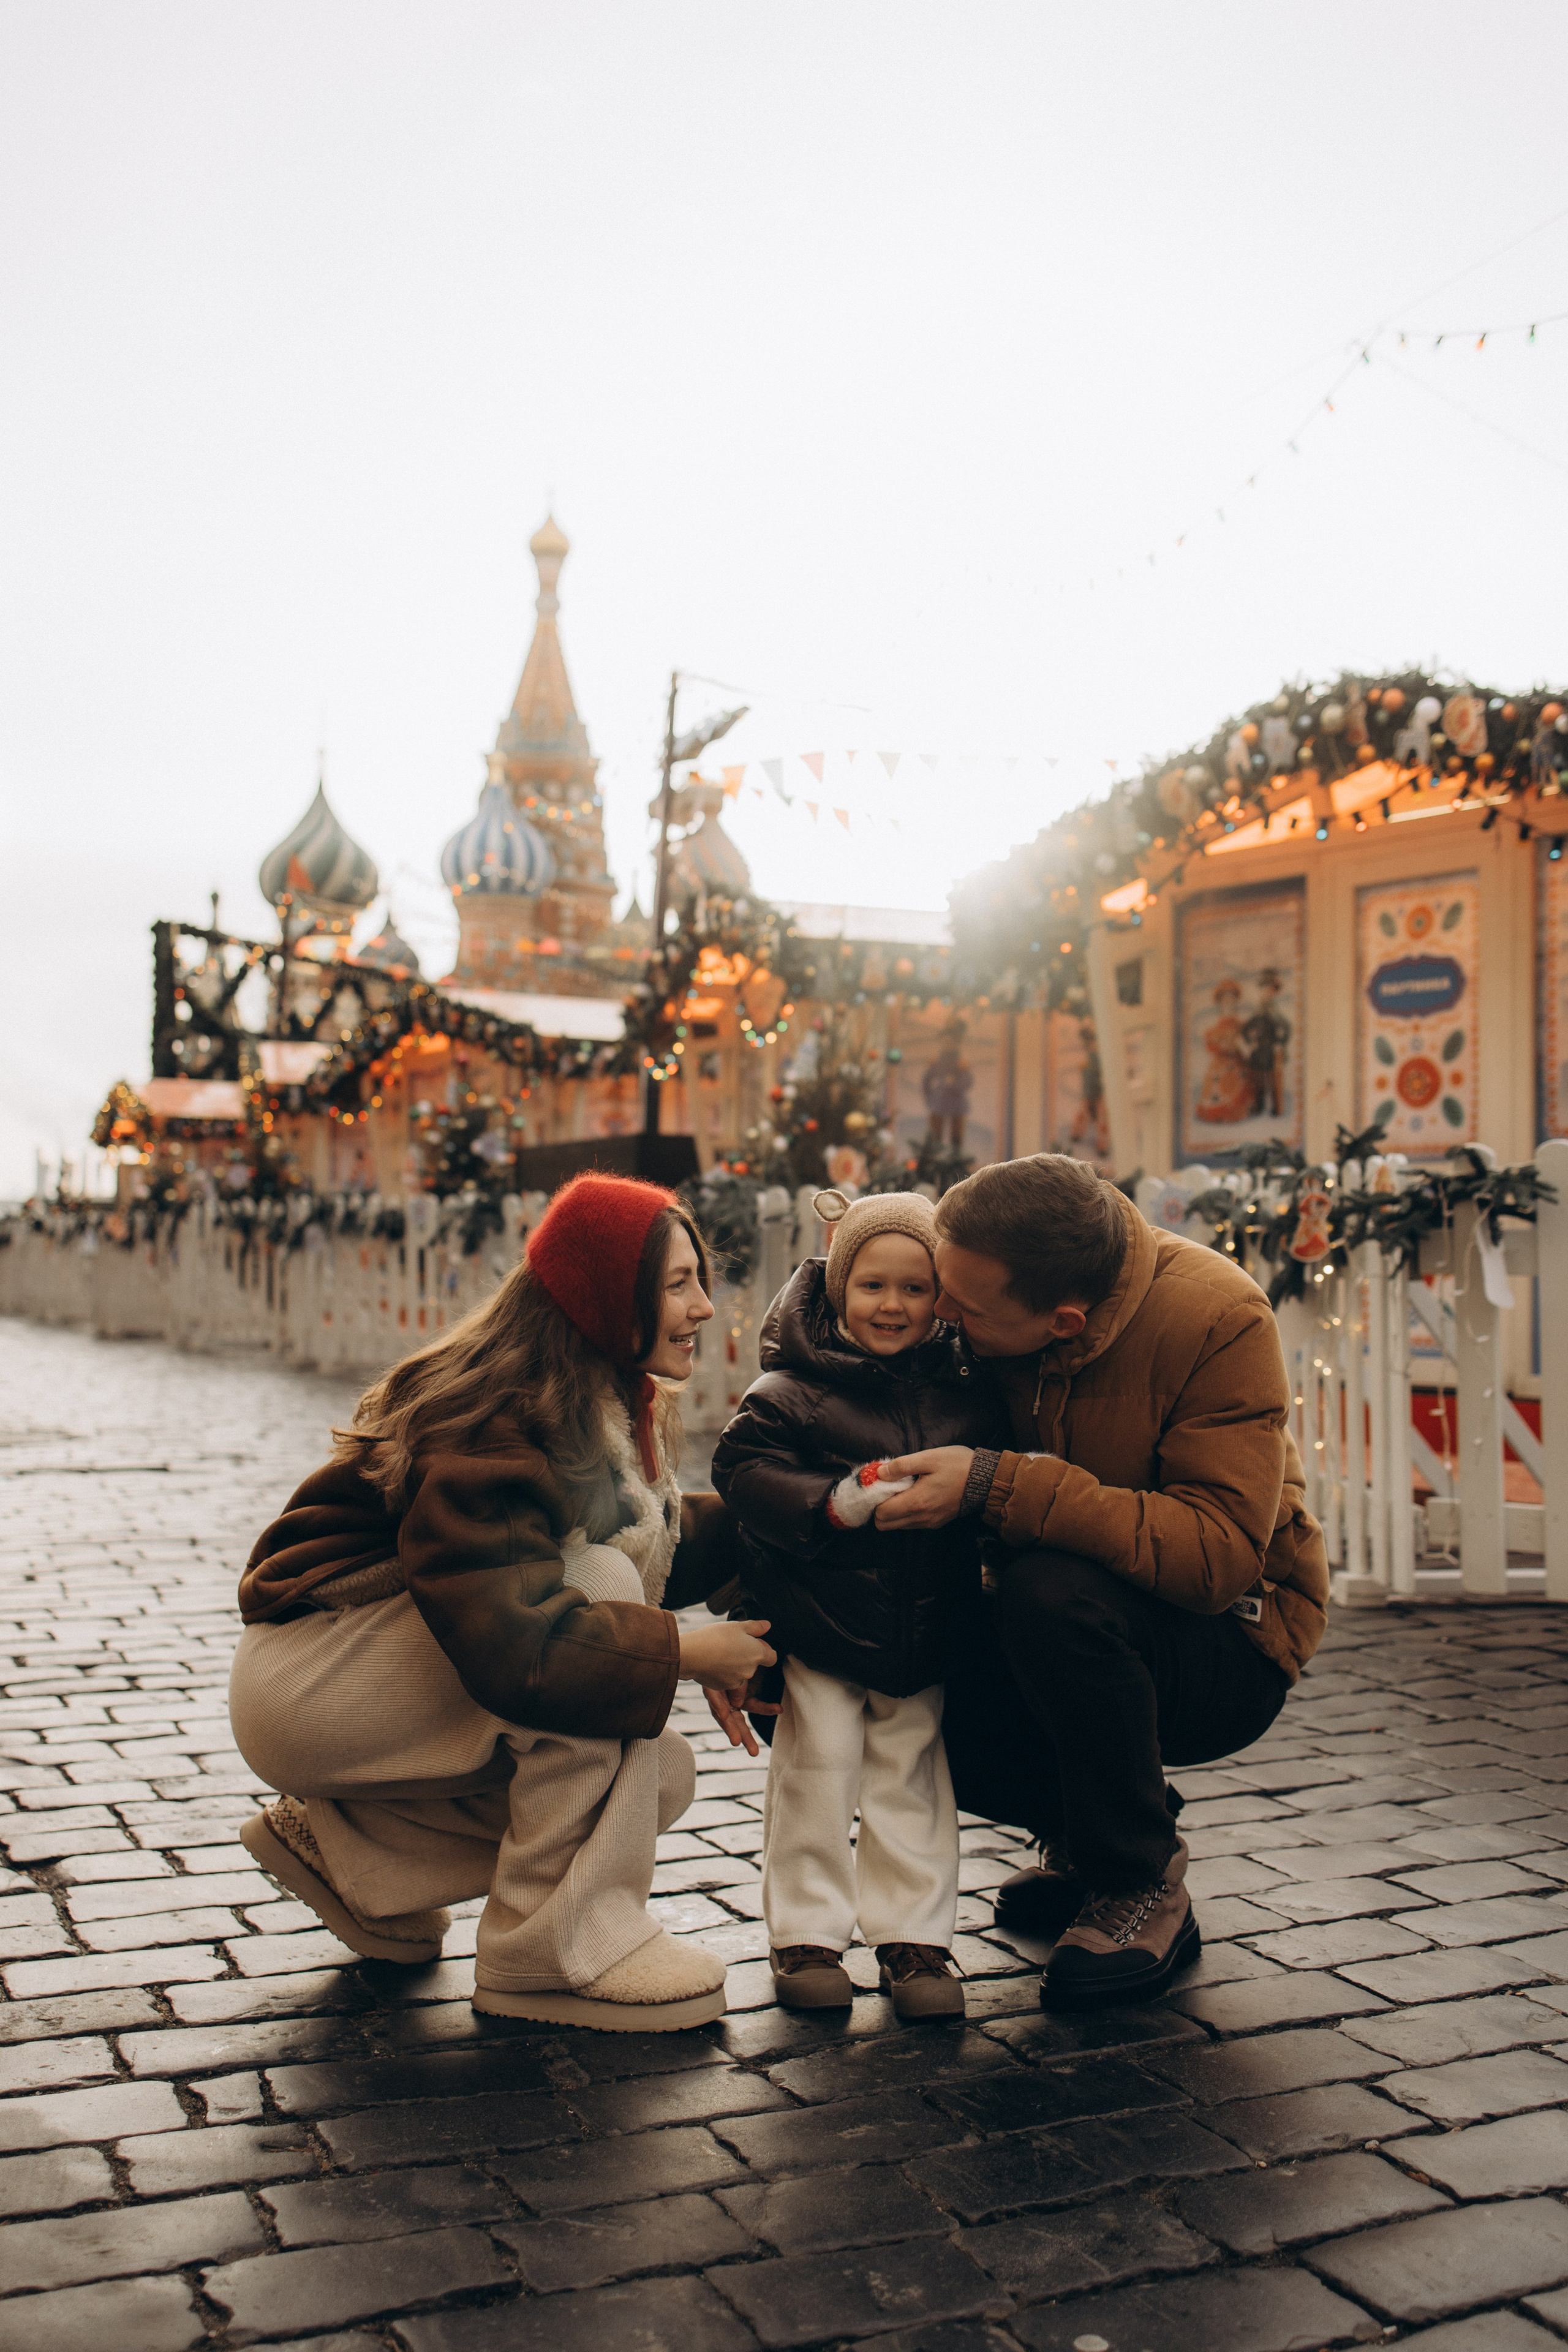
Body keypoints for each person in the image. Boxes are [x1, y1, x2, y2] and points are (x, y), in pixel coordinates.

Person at [228, 1173, 773, 2034]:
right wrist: (685, 1653)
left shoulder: (591, 1397)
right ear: (604, 1295)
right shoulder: (501, 1417)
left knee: (654, 1778)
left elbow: (650, 1535)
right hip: (314, 1676)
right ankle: (551, 1955)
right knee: (598, 1591)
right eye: (678, 1283)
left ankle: (355, 1858)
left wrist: (788, 1519)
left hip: (377, 1667)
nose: (707, 1305)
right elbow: (520, 1639)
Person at [874, 1153, 1327, 2010]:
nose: (940, 1316)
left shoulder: (1217, 1316)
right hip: (1053, 1621)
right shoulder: (988, 1294)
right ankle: (1101, 1825)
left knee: (1051, 1591)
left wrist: (997, 1484)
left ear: (1065, 1322)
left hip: (1229, 1639)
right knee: (861, 1659)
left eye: (963, 1310)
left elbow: (1217, 1558)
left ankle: (1138, 1876)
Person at [710, 1189, 998, 2020]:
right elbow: (745, 1472)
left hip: (926, 1629)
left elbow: (996, 1472)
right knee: (818, 1771)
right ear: (838, 1287)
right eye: (874, 1285)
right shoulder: (793, 1388)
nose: (894, 1305)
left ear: (941, 1297)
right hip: (820, 1624)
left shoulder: (967, 1388)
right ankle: (807, 1933)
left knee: (912, 1779)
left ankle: (916, 1938)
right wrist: (833, 1500)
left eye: (916, 1288)